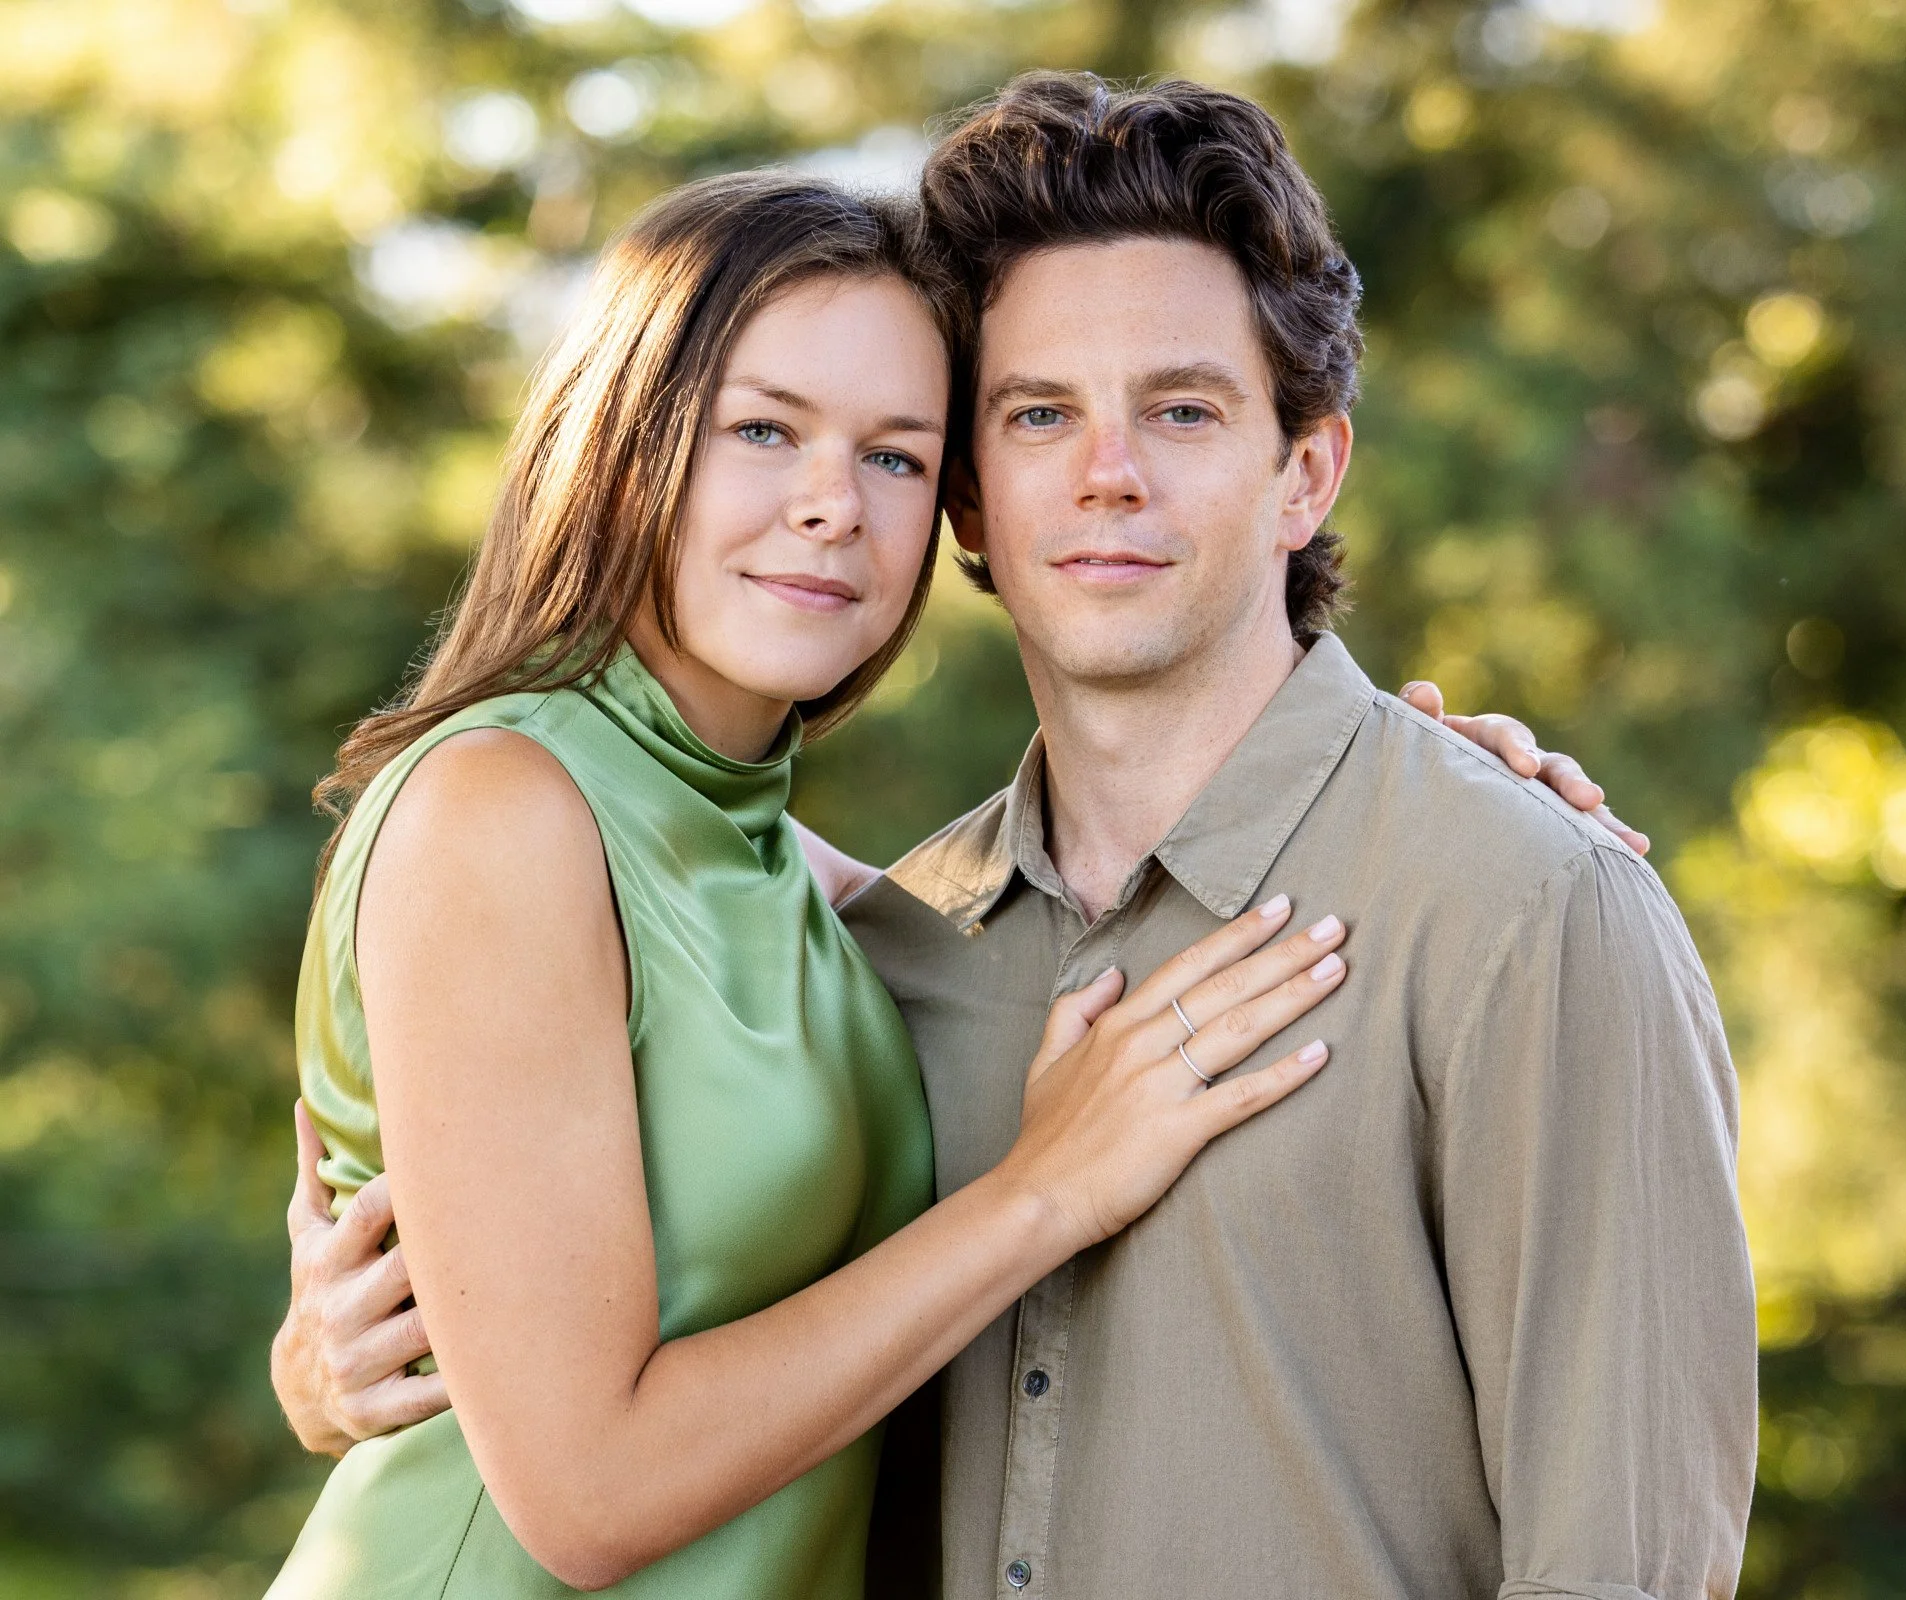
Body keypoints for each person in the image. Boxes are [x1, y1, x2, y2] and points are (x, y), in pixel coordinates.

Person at [274, 73, 1750, 1600]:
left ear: (1304, 472)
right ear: (987, 505)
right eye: (1041, 414)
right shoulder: (874, 941)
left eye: (1182, 409)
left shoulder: (1514, 906)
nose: (1107, 471)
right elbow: (546, 1418)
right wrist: (325, 1366)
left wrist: (1468, 813)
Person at [266, 169, 1365, 1599]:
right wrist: (1041, 1197)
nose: (830, 507)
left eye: (897, 457)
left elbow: (1092, 868)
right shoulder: (503, 811)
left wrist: (1402, 768)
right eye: (763, 432)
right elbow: (588, 1497)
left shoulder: (791, 872)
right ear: (619, 442)